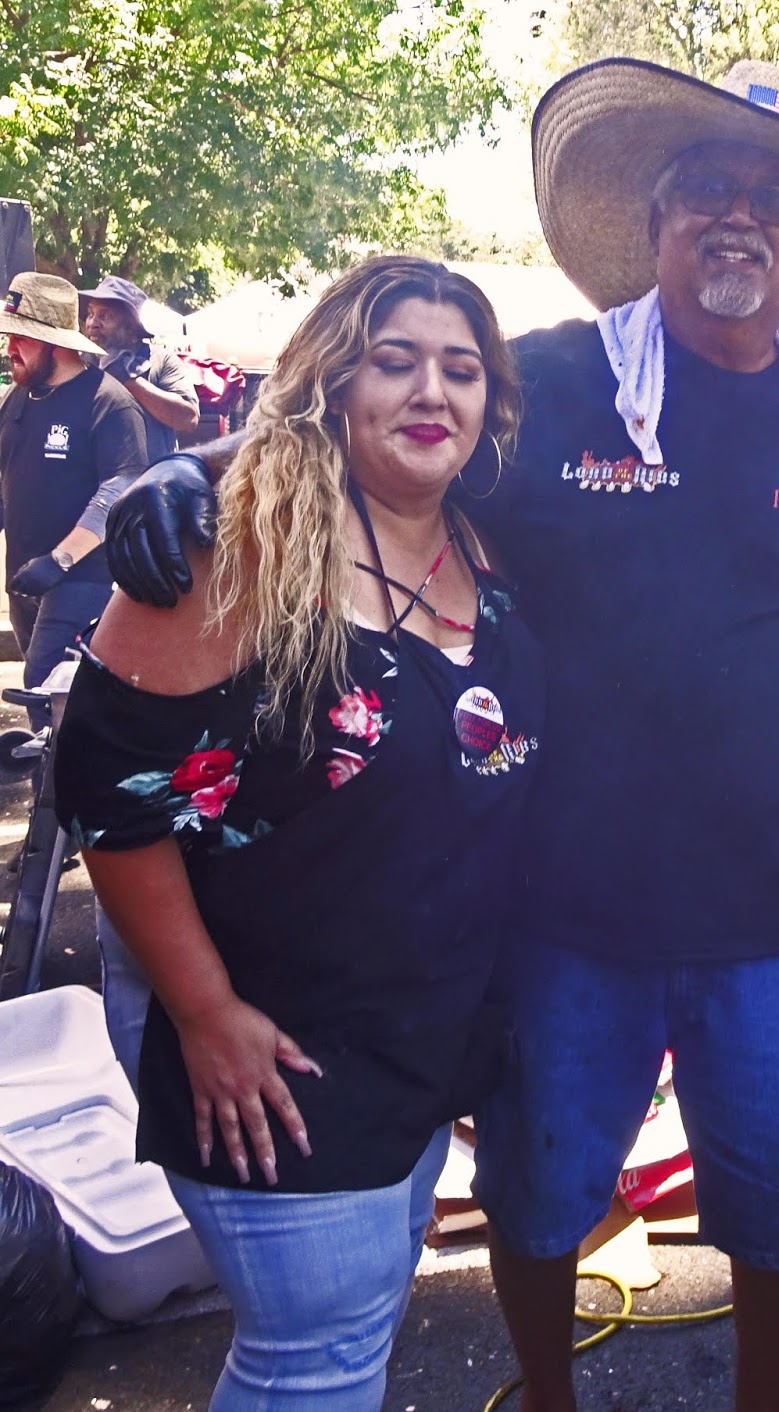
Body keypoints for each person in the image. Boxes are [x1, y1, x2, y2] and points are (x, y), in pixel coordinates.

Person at [102, 58, 779, 1412]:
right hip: (560, 915)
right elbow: (374, 446)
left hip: (774, 919)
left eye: (773, 197)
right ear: (656, 220)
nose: (739, 217)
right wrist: (196, 471)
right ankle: (551, 1398)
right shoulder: (549, 382)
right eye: (706, 186)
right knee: (540, 1207)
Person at [53, 255, 540, 1411]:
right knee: (310, 1363)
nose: (433, 390)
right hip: (274, 1046)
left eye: (461, 369)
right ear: (332, 379)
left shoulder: (485, 542)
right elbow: (113, 800)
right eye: (396, 360)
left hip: (419, 1041)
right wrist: (205, 1012)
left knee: (349, 1335)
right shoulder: (235, 546)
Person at [0, 272, 147, 732]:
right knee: (49, 701)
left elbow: (120, 485)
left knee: (45, 683)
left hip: (83, 575)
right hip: (25, 575)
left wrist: (60, 560)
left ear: (56, 344)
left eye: (22, 339)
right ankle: (56, 785)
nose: (10, 350)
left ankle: (59, 799)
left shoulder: (107, 402)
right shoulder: (15, 400)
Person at [80, 275, 200, 461]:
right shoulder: (81, 362)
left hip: (150, 481)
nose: (92, 323)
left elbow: (188, 419)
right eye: (90, 314)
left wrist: (127, 379)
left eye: (104, 316)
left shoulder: (162, 361)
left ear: (131, 328)